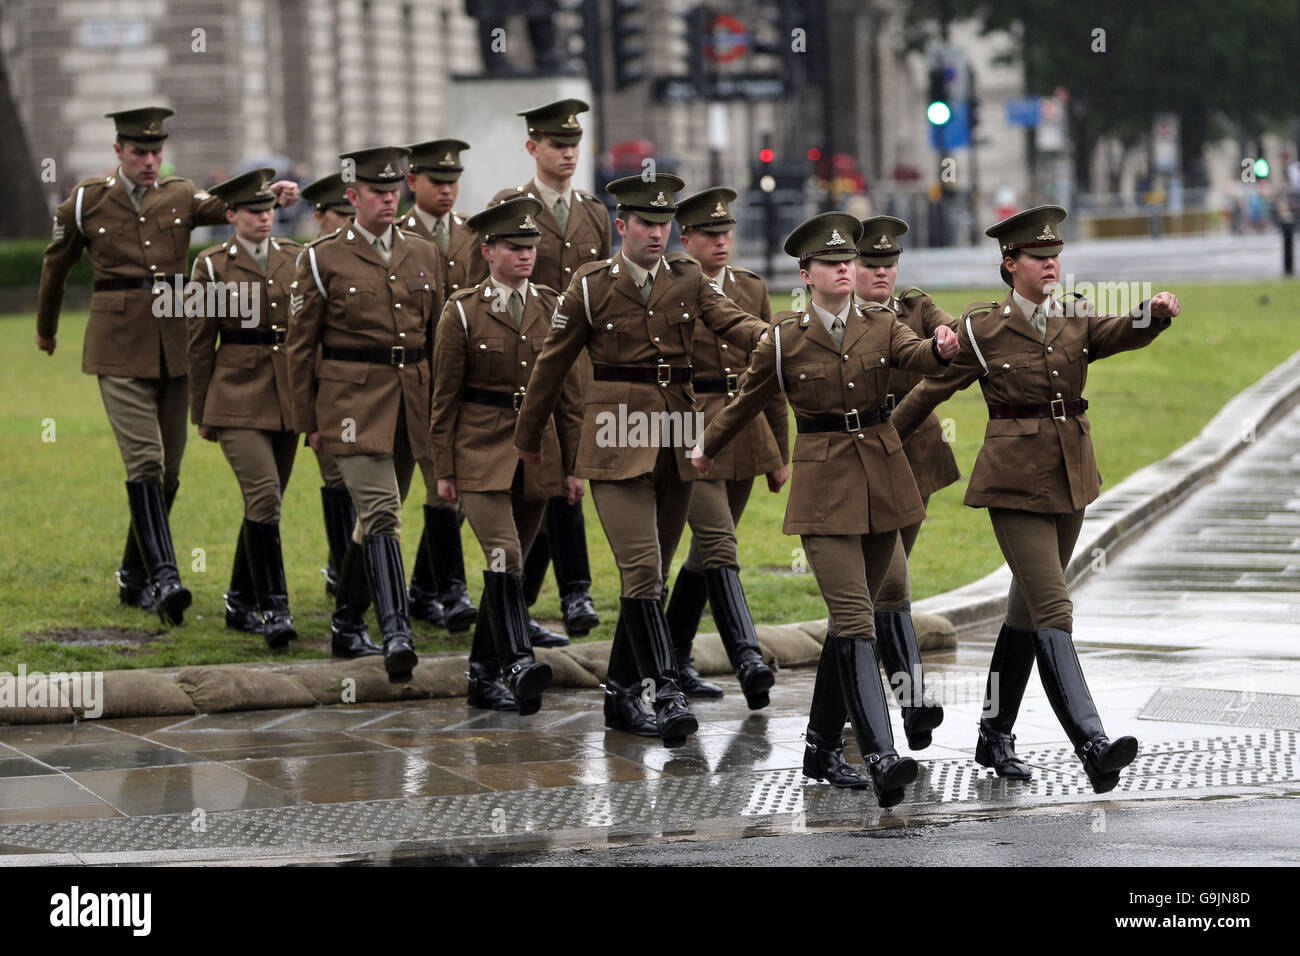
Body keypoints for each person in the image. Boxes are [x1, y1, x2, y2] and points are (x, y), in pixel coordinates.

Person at [890, 205, 1181, 794]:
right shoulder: (983, 327)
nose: (1051, 265)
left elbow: (1115, 333)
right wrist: (881, 443)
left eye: (1056, 256)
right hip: (1015, 485)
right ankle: (1093, 745)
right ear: (1011, 263)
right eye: (1039, 257)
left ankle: (994, 737)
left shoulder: (1073, 316)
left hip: (1071, 478)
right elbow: (928, 390)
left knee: (1025, 614)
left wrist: (1151, 315)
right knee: (1054, 609)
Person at [691, 212, 959, 808]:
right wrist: (708, 446)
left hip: (884, 486)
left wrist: (941, 349)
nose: (845, 268)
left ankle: (819, 748)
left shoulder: (883, 324)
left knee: (853, 620)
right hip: (823, 494)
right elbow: (747, 400)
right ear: (807, 274)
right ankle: (882, 753)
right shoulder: (784, 338)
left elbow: (919, 358)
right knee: (856, 618)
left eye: (848, 260)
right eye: (832, 263)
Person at [513, 173, 769, 748]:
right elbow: (551, 366)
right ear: (621, 226)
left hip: (676, 436)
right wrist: (529, 437)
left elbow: (736, 323)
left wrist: (784, 340)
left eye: (665, 223)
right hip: (615, 436)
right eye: (647, 224)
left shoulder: (687, 277)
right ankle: (666, 690)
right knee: (643, 570)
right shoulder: (590, 284)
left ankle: (621, 693)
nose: (658, 233)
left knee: (652, 572)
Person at [35, 106, 298, 625]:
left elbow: (225, 206)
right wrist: (46, 327)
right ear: (118, 152)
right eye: (140, 152)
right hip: (116, 347)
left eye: (156, 151)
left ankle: (134, 575)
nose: (151, 160)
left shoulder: (179, 194)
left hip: (174, 344)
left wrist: (271, 193)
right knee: (146, 463)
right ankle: (165, 576)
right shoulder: (88, 199)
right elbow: (56, 263)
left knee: (170, 471)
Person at [286, 146, 444, 678]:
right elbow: (299, 348)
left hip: (411, 404)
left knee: (370, 522)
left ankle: (347, 624)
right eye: (376, 191)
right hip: (350, 405)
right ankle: (396, 630)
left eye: (393, 189)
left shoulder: (423, 253)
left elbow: (438, 335)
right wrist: (308, 422)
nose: (388, 198)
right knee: (382, 515)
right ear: (352, 197)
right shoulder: (322, 256)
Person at [431, 197, 585, 714]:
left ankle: (481, 674)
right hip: (478, 451)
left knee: (513, 568)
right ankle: (518, 662)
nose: (526, 255)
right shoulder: (462, 310)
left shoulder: (552, 305)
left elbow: (567, 393)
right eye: (515, 247)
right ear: (488, 250)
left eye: (532, 247)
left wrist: (574, 467)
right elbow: (444, 396)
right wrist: (444, 469)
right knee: (506, 554)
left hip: (538, 453)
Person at [491, 99, 608, 644]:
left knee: (570, 476)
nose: (568, 153)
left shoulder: (593, 213)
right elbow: (481, 290)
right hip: (526, 361)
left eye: (574, 144)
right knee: (537, 480)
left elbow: (606, 295)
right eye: (557, 144)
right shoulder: (509, 207)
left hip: (579, 367)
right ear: (532, 146)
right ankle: (531, 601)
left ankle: (574, 592)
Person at [664, 186, 784, 707]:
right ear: (684, 237)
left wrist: (780, 451)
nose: (721, 242)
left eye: (726, 232)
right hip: (690, 426)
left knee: (704, 552)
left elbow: (770, 373)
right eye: (709, 234)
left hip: (744, 429)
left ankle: (673, 657)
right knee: (718, 543)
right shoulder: (669, 286)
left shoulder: (749, 288)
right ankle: (748, 658)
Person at [187, 168, 300, 648]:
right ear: (230, 215)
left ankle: (238, 599)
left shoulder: (296, 258)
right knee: (266, 497)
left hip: (286, 398)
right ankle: (275, 608)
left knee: (264, 503)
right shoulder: (209, 266)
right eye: (254, 212)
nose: (264, 219)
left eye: (269, 210)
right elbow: (197, 344)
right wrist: (201, 411)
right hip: (234, 395)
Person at [852, 216, 952, 749]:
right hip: (863, 459)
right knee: (887, 586)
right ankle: (909, 703)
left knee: (879, 585)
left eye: (889, 264)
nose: (882, 274)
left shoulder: (914, 306)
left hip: (914, 460)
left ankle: (862, 696)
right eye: (871, 265)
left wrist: (945, 335)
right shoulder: (837, 321)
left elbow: (949, 330)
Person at [399, 138, 483, 632]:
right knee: (391, 501)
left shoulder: (474, 235)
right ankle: (436, 592)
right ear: (413, 182)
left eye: (454, 181)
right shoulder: (398, 235)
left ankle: (433, 590)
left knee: (451, 491)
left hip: (461, 383)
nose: (448, 190)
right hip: (411, 382)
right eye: (437, 181)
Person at [298, 173, 362, 609]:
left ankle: (350, 571)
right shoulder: (308, 262)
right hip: (325, 389)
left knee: (369, 488)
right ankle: (342, 569)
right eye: (341, 214)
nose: (348, 222)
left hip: (366, 387)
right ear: (320, 217)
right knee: (336, 479)